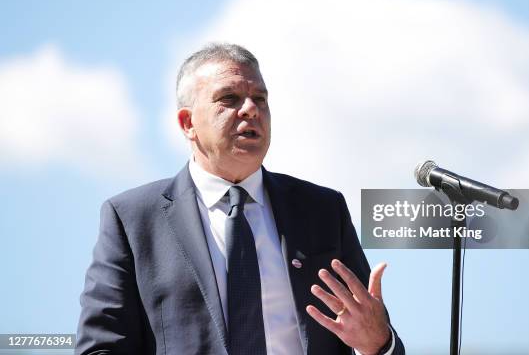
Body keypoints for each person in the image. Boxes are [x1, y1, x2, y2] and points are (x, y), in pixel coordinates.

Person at [75, 43, 405, 355]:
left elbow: (373, 339)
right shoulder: (132, 219)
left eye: (260, 99)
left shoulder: (323, 210)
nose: (250, 109)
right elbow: (100, 346)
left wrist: (379, 343)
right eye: (230, 98)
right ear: (188, 123)